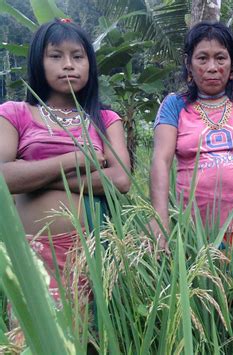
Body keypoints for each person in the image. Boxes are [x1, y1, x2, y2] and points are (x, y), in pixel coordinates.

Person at [0, 18, 131, 336]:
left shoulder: (104, 118)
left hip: (91, 251)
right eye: (55, 55)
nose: (68, 65)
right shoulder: (15, 112)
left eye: (78, 56)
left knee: (88, 339)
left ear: (90, 63)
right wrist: (73, 160)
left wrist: (34, 173)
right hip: (32, 253)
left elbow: (120, 180)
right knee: (33, 339)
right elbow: (3, 176)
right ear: (38, 61)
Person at [149, 22, 233, 318]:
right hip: (198, 233)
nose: (212, 66)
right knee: (209, 315)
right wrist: (159, 219)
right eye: (202, 58)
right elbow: (160, 160)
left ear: (232, 65)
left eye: (220, 58)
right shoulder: (175, 106)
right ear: (188, 64)